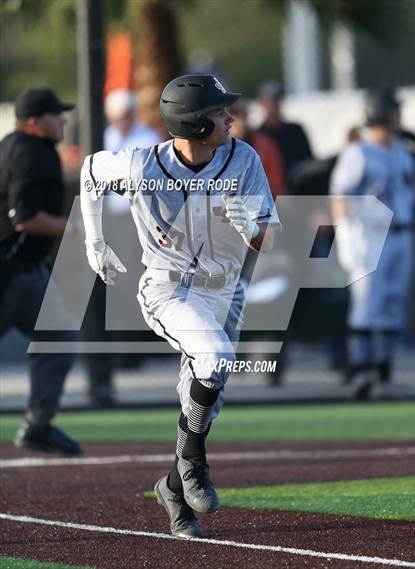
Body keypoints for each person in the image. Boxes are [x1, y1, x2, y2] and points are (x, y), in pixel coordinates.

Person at [80, 74, 279, 538]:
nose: (230, 117)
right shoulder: (141, 165)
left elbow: (269, 239)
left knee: (206, 405)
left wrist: (252, 227)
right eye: (217, 112)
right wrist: (94, 242)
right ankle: (191, 464)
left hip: (224, 293)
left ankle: (173, 486)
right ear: (192, 124)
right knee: (215, 359)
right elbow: (90, 171)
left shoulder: (243, 158)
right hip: (169, 290)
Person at [0, 87, 82, 454]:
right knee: (59, 338)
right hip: (12, 271)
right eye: (55, 115)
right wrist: (74, 227)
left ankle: (38, 425)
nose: (62, 120)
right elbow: (26, 219)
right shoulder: (33, 152)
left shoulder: (12, 144)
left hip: (27, 271)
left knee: (59, 336)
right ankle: (37, 424)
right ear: (35, 122)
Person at [330, 88, 415, 399]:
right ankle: (361, 372)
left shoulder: (403, 152)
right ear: (380, 112)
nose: (399, 114)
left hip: (403, 232)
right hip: (370, 235)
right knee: (367, 303)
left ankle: (384, 370)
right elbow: (340, 197)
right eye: (394, 109)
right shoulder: (360, 153)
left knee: (393, 303)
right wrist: (345, 236)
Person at [85, 89, 164, 407]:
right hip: (112, 220)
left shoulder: (146, 136)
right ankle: (117, 351)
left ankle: (132, 350)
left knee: (135, 283)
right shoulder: (104, 136)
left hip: (137, 220)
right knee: (114, 286)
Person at [257, 79, 313, 193]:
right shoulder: (258, 137)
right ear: (261, 103)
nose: (273, 105)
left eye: (276, 100)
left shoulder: (296, 130)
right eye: (269, 100)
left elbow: (309, 163)